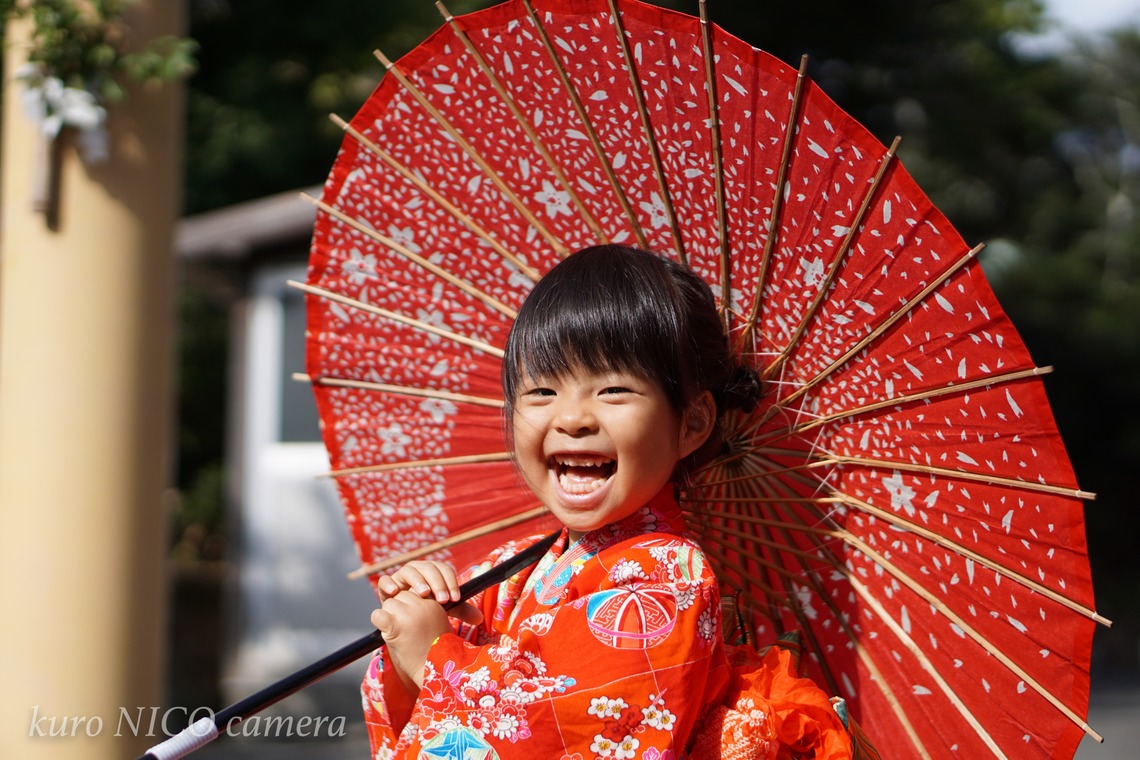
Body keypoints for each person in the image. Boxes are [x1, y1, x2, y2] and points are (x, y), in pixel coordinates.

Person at [361, 245, 855, 759]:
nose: (573, 418)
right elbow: (420, 699)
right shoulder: (512, 572)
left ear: (692, 423)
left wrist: (434, 660)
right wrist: (419, 626)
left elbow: (566, 728)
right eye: (541, 391)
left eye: (614, 389)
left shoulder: (670, 579)